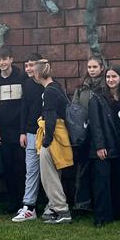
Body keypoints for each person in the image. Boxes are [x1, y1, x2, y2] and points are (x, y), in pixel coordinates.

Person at [88, 64, 120, 226]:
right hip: (104, 147)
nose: (110, 80)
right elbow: (95, 124)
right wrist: (100, 146)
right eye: (108, 77)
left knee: (118, 181)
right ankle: (101, 217)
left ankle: (115, 213)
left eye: (114, 76)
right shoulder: (97, 97)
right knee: (102, 183)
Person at [34, 60, 74, 224]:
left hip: (53, 137)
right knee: (55, 174)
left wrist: (46, 140)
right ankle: (53, 208)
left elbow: (50, 116)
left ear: (37, 74)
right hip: (60, 135)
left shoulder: (49, 92)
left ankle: (61, 210)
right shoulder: (57, 87)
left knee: (49, 176)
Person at [0, 46, 26, 213]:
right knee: (8, 167)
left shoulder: (22, 77)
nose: (2, 62)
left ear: (11, 59)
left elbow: (25, 106)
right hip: (3, 131)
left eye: (5, 59)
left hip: (19, 131)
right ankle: (13, 202)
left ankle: (26, 201)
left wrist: (23, 130)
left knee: (22, 167)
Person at [71, 55, 105, 211]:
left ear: (101, 68)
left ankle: (99, 202)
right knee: (82, 169)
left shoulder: (106, 86)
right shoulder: (81, 87)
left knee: (99, 170)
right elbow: (74, 109)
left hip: (100, 133)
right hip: (84, 133)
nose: (92, 70)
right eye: (89, 67)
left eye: (95, 67)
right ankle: (82, 203)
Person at [13, 53, 44, 222]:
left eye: (31, 65)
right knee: (31, 171)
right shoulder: (26, 84)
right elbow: (23, 109)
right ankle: (29, 207)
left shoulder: (49, 84)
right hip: (30, 133)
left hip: (46, 134)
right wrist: (22, 132)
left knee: (50, 172)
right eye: (26, 66)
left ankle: (53, 205)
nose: (28, 68)